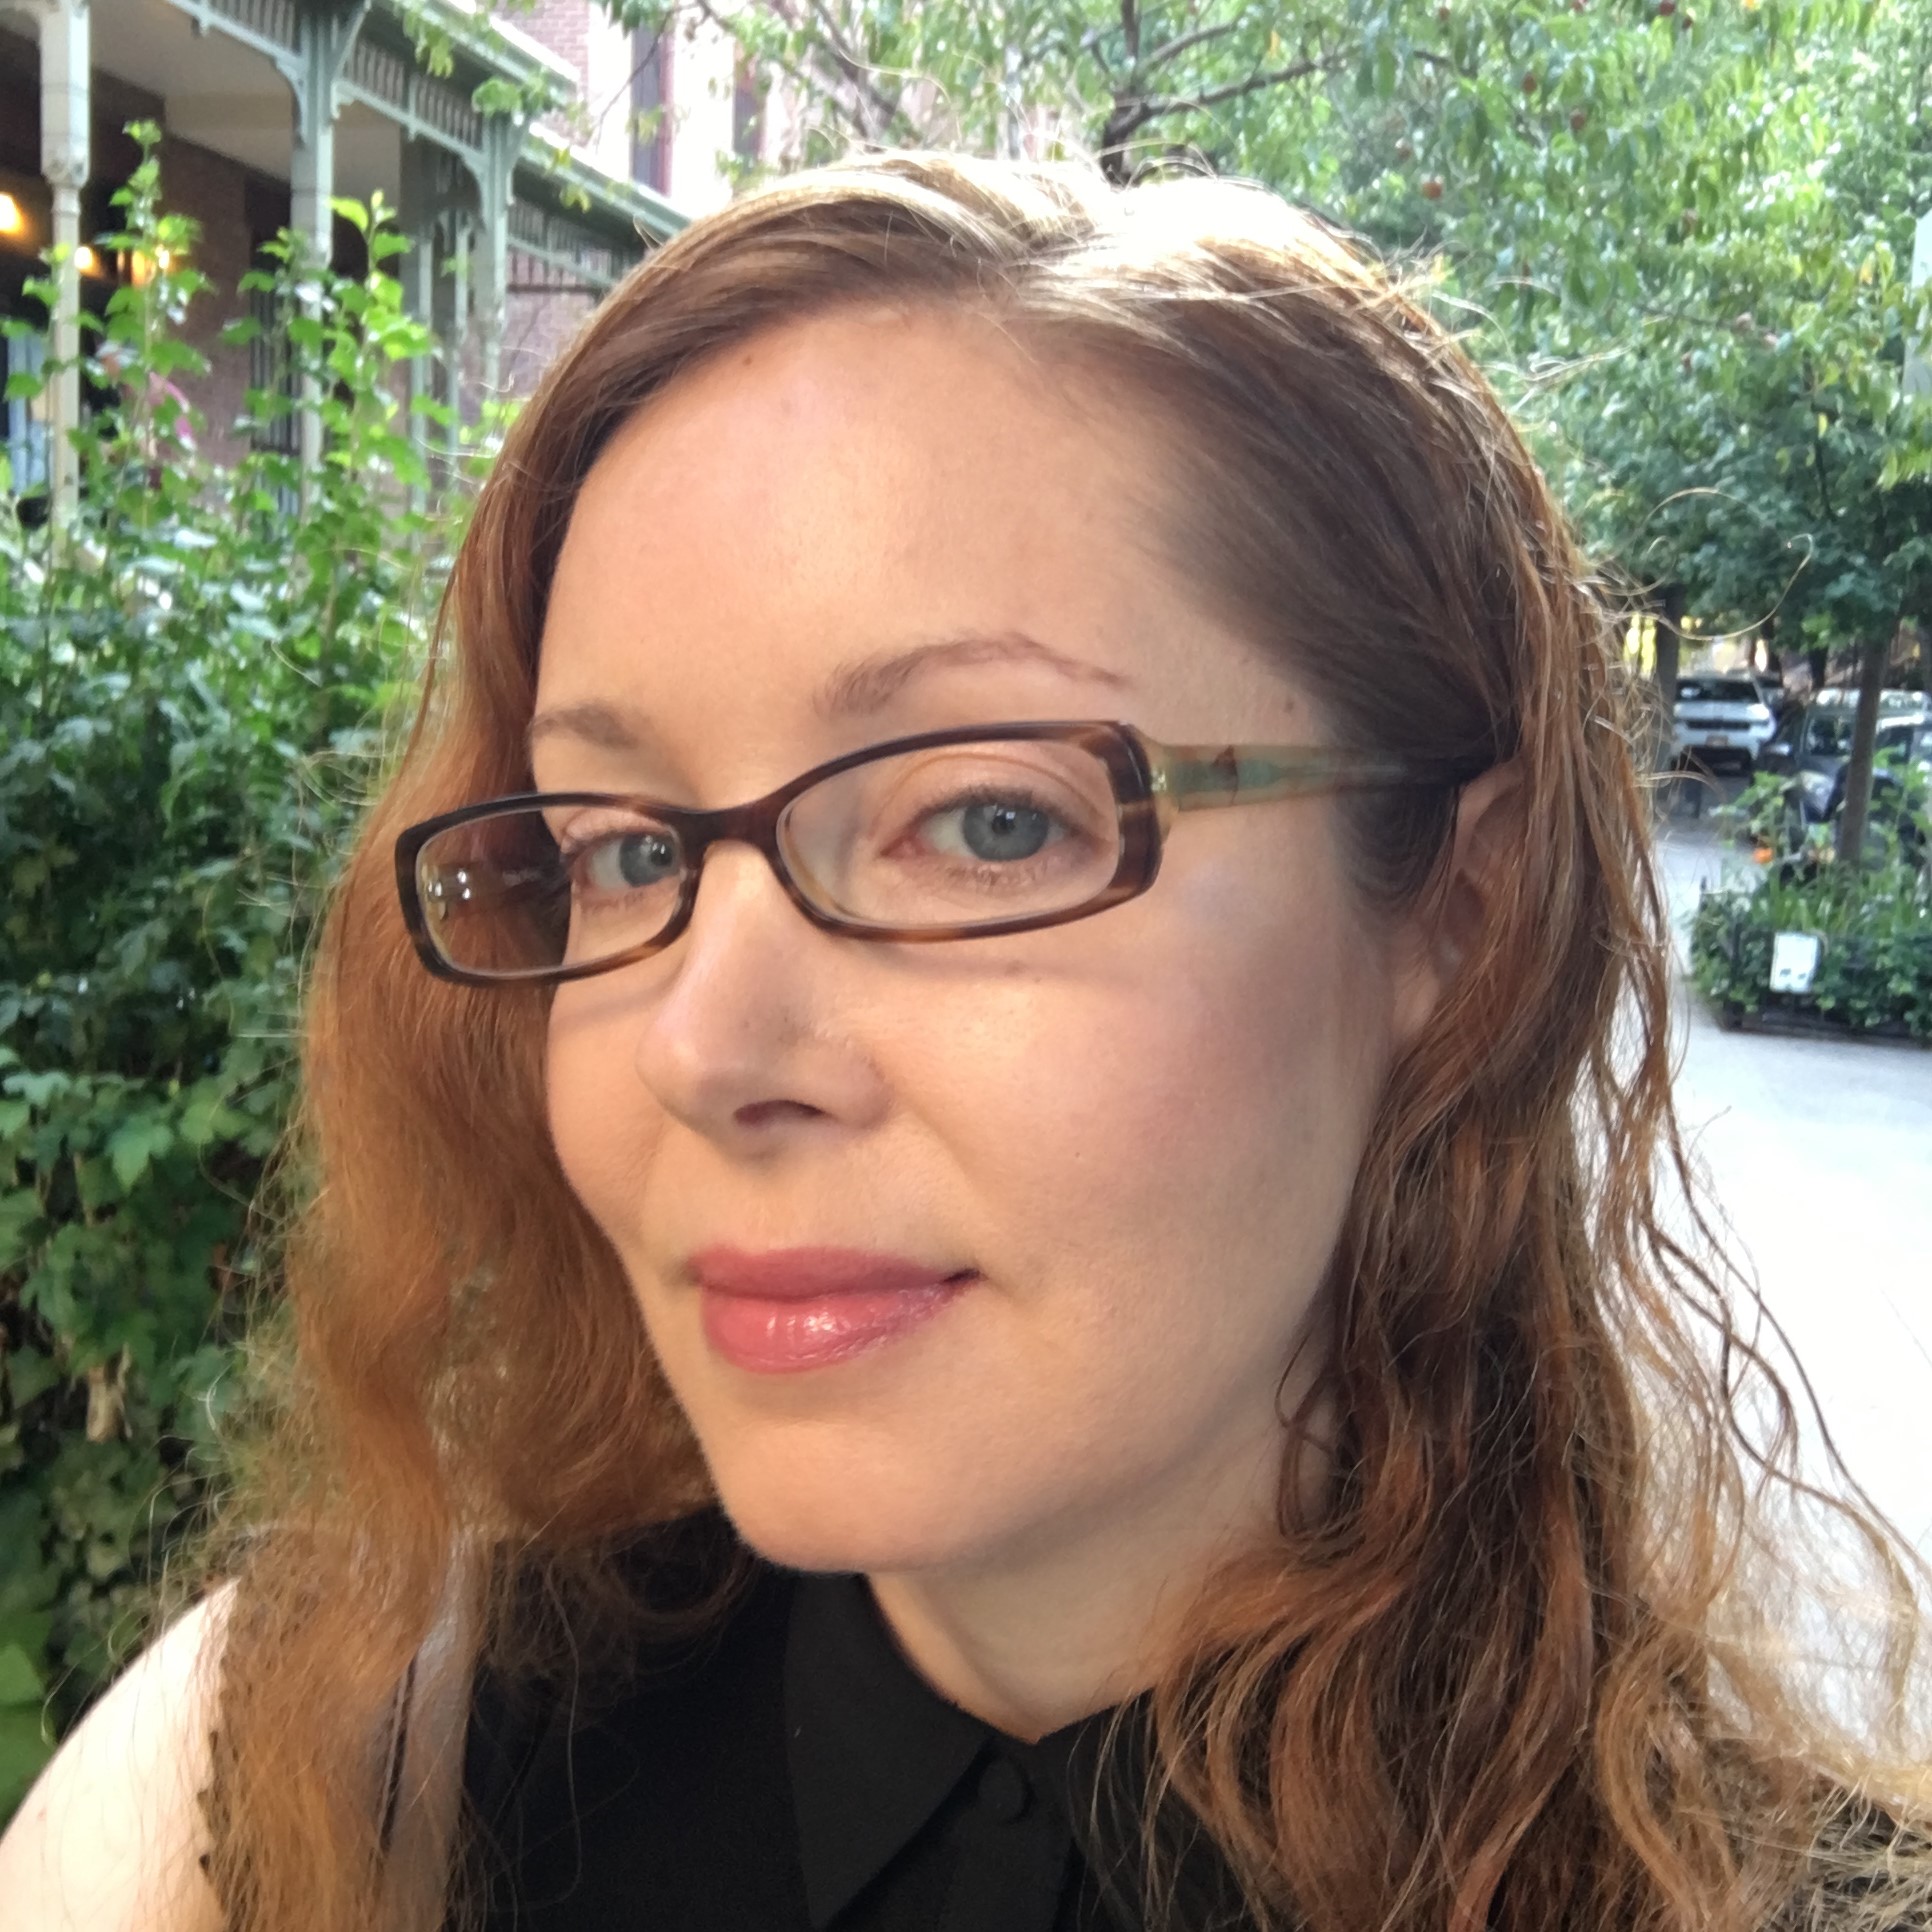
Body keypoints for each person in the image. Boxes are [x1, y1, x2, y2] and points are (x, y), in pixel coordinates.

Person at [2, 150, 1927, 1932]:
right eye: (621, 852)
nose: (701, 1046)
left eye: (990, 821)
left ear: (1463, 911)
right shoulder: (307, 1781)